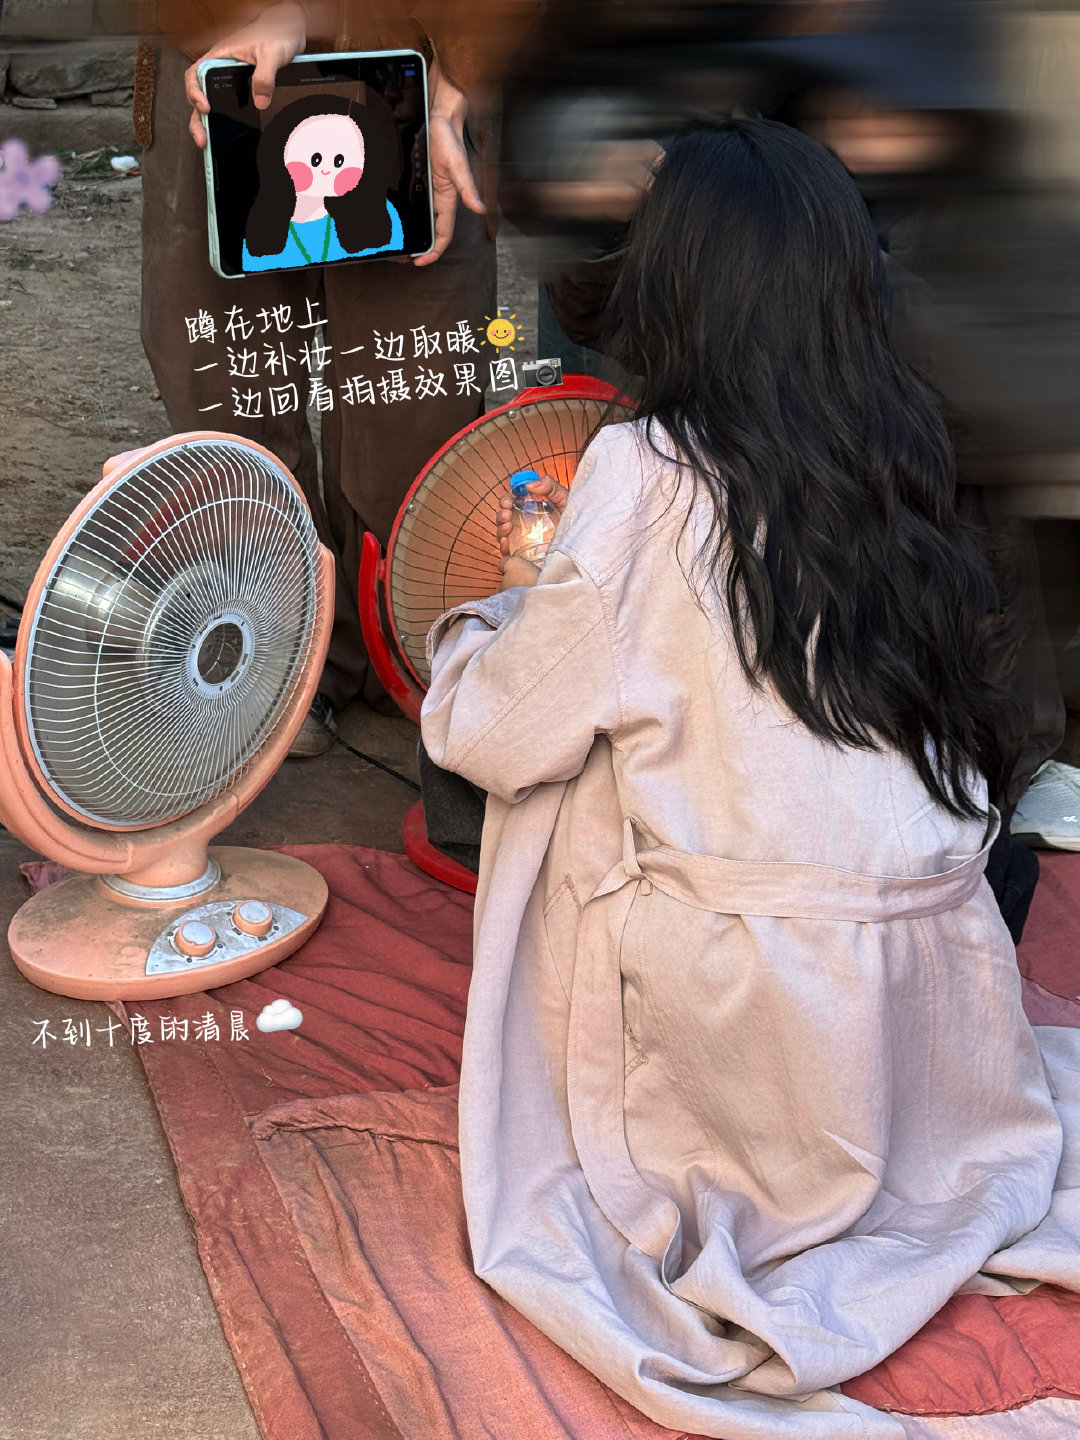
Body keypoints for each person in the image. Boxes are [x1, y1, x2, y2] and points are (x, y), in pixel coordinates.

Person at [420, 121, 1080, 1439]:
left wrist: (483, 626)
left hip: (753, 1017)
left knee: (554, 765)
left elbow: (496, 737)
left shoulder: (644, 472)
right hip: (933, 995)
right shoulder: (911, 449)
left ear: (676, 283)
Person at [137, 0, 532, 751]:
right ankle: (281, 643)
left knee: (418, 382)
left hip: (429, 50)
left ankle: (403, 639)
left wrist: (461, 77)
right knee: (230, 379)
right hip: (221, 41)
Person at [242, 93, 404, 271]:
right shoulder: (261, 228)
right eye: (315, 159)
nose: (326, 170)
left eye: (339, 162)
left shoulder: (380, 214)